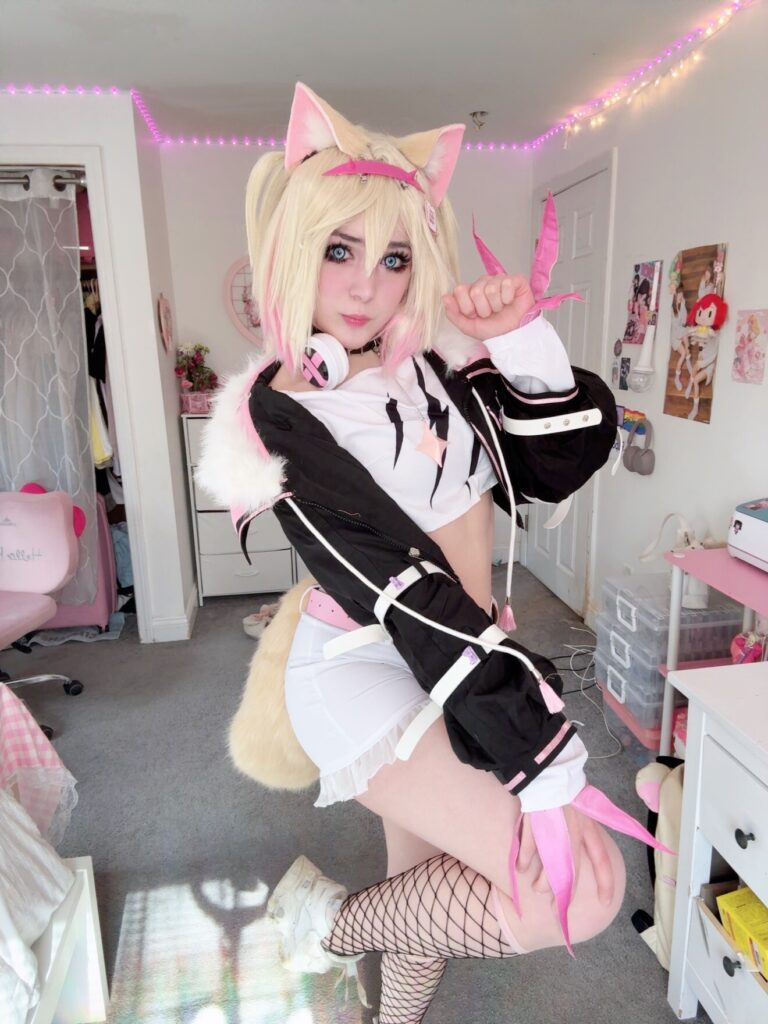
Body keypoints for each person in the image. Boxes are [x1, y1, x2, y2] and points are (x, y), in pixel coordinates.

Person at [198, 83, 664, 1023]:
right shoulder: (283, 413)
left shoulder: (438, 370)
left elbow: (555, 465)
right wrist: (534, 745)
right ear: (292, 249)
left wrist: (518, 341)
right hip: (370, 663)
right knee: (578, 886)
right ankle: (330, 922)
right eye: (338, 250)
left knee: (426, 896)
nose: (365, 285)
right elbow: (400, 590)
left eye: (394, 257)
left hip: (458, 653)